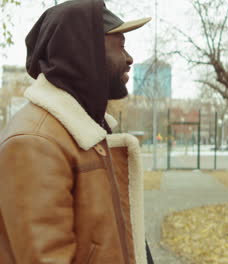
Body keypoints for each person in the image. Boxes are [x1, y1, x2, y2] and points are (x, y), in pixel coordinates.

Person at [0, 1, 154, 263]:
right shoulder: (34, 142)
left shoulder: (82, 131)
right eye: (121, 45)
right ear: (84, 51)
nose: (129, 59)